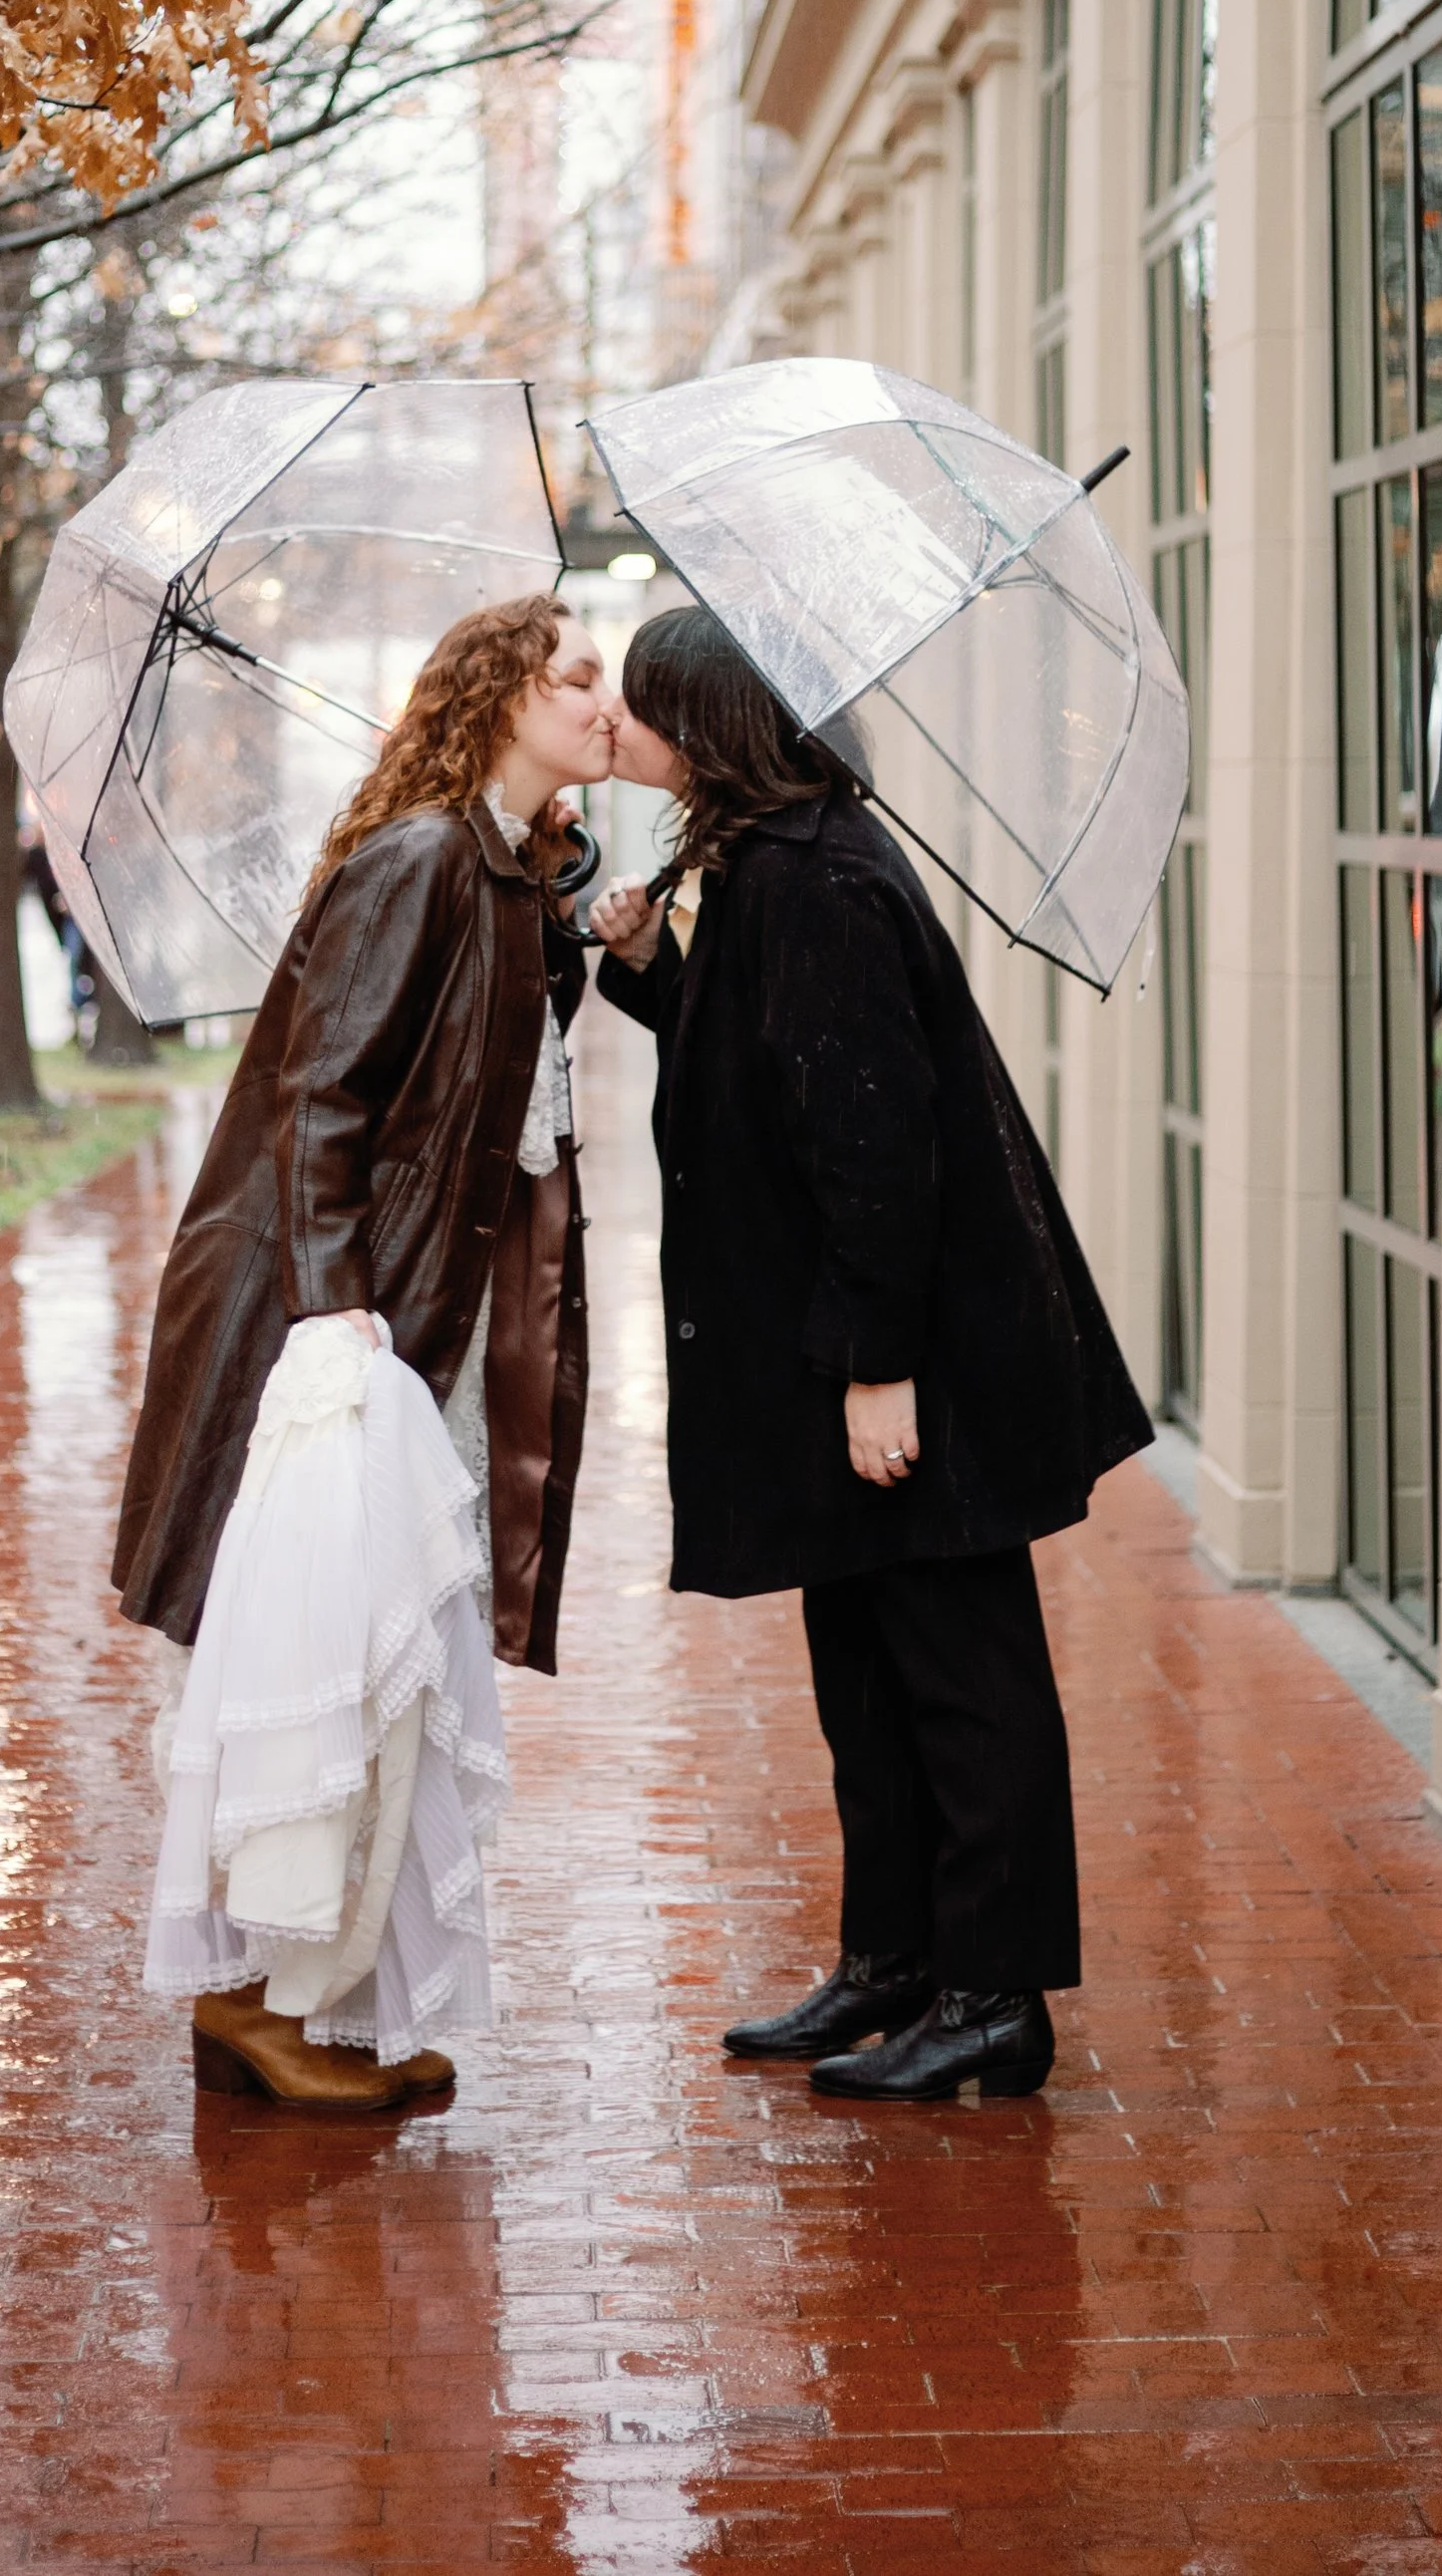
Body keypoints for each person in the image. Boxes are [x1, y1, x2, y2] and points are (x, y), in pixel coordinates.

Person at [592, 606, 1153, 2107]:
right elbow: (764, 1071)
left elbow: (876, 1148)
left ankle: (996, 1996)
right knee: (869, 1674)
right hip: (861, 1343)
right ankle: (897, 1956)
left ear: (706, 723)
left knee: (963, 1676)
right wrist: (651, 969)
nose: (617, 729)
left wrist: (876, 1363)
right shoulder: (768, 867)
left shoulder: (820, 880)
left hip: (923, 1364)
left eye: (641, 706)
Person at [116, 593, 612, 2111]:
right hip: (351, 1331)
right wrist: (337, 1312)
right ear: (503, 693)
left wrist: (581, 902)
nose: (606, 701)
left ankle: (309, 1988)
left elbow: (500, 1065)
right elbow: (319, 1096)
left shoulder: (506, 872)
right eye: (580, 676)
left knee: (386, 1662)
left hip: (411, 1329)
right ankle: (267, 1995)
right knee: (331, 1662)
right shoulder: (415, 860)